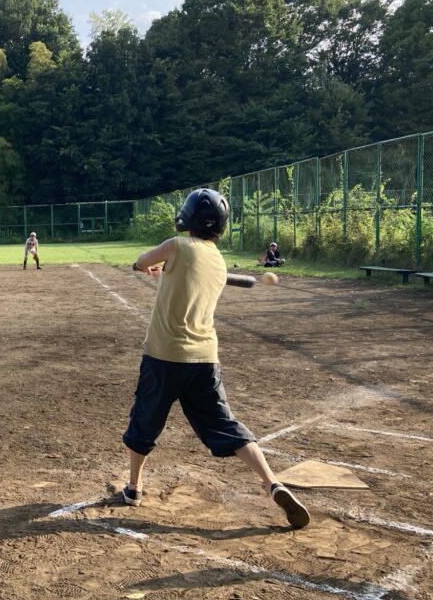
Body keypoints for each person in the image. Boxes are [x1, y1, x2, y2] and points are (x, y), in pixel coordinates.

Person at [121, 188, 309, 529]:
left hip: (164, 355)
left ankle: (134, 488)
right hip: (205, 359)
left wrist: (151, 267)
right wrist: (164, 273)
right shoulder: (218, 261)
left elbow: (140, 262)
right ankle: (272, 483)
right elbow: (185, 281)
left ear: (188, 216)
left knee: (145, 419)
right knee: (226, 424)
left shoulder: (176, 246)